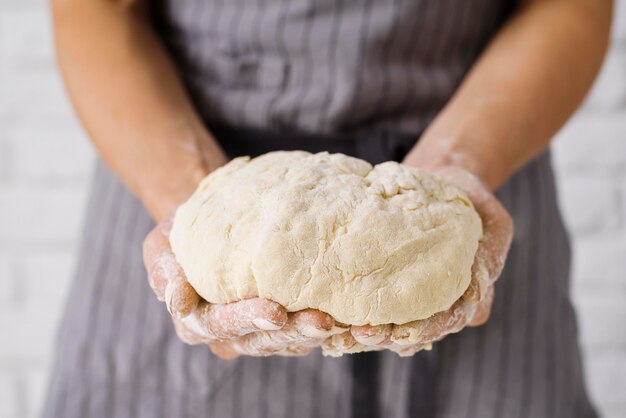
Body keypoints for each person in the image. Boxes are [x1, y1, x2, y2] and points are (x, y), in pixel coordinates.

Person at [44, 0, 612, 416]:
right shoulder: (190, 207)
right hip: (170, 157)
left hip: (477, 153)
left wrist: (461, 159)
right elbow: (92, 12)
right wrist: (192, 197)